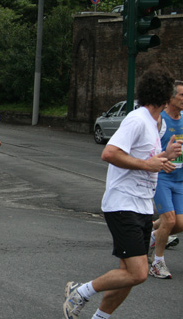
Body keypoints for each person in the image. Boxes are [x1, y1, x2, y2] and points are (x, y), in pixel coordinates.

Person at [63, 68, 182, 319]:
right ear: (164, 97)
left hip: (141, 205)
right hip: (122, 204)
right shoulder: (137, 119)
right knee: (138, 273)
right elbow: (110, 153)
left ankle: (100, 317)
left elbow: (144, 158)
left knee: (126, 275)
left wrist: (163, 158)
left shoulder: (153, 123)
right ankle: (80, 291)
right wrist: (149, 164)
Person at [147, 80, 183, 279]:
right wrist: (162, 159)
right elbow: (147, 147)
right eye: (181, 95)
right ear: (170, 98)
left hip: (180, 179)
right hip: (161, 177)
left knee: (179, 223)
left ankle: (150, 234)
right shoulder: (160, 120)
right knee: (169, 220)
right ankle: (157, 262)